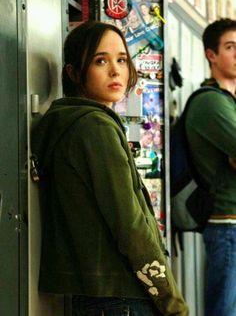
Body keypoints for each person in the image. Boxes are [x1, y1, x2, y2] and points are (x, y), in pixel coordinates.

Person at [31, 21, 188, 316]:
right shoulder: (95, 127)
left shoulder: (70, 123)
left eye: (121, 59)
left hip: (97, 297)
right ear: (74, 73)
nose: (116, 71)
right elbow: (130, 226)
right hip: (124, 299)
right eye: (100, 60)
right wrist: (173, 303)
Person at [185, 18, 236, 316]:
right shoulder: (210, 102)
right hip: (225, 224)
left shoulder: (229, 103)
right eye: (230, 47)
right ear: (211, 54)